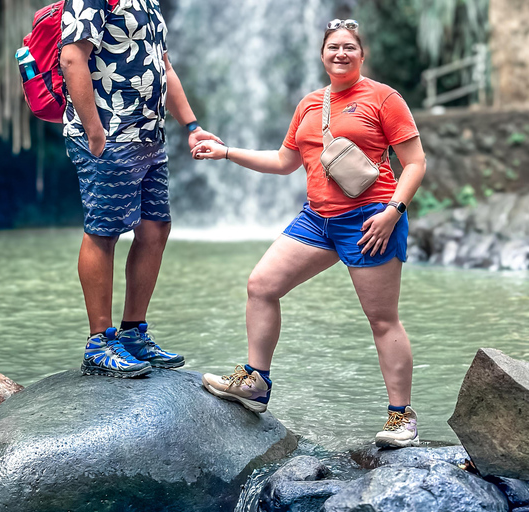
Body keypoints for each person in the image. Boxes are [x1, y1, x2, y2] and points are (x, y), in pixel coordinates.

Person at [192, 19, 427, 448]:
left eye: (349, 47)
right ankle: (255, 382)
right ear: (322, 54)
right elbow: (284, 161)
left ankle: (401, 416)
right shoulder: (310, 104)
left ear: (362, 54)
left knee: (381, 319)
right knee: (261, 285)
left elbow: (415, 163)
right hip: (317, 218)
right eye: (333, 47)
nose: (341, 54)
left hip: (370, 217)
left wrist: (393, 212)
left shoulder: (384, 98)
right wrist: (226, 151)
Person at [60, 0, 221, 378]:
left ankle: (133, 333)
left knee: (155, 227)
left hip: (149, 137)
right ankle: (99, 342)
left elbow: (164, 68)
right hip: (109, 136)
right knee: (105, 230)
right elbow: (71, 58)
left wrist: (192, 126)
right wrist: (95, 130)